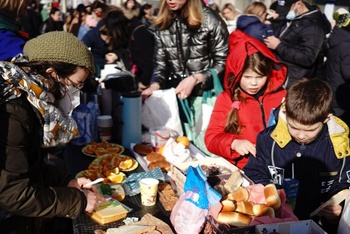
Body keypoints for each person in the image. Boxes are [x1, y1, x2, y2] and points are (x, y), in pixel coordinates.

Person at [0, 31, 102, 233]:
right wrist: (78, 201)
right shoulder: (13, 111)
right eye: (75, 85)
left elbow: (27, 164)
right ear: (52, 73)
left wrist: (66, 181)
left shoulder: (30, 99)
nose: (75, 94)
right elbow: (12, 193)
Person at [243, 78, 350, 233]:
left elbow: (343, 183)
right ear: (285, 114)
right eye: (293, 127)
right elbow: (254, 172)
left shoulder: (339, 146)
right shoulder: (268, 140)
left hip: (317, 223)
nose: (301, 135)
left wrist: (337, 209)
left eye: (310, 130)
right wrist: (269, 193)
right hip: (275, 221)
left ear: (326, 119)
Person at [204, 30, 286, 169]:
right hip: (244, 168)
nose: (253, 83)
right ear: (236, 74)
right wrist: (234, 143)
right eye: (247, 77)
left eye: (260, 77)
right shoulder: (226, 99)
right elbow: (211, 139)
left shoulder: (282, 96)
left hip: (280, 166)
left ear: (269, 73)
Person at [142, 0, 228, 102]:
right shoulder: (162, 22)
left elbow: (223, 62)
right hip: (175, 96)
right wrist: (154, 86)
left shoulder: (210, 19)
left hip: (206, 95)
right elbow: (160, 66)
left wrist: (196, 79)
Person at [263, 0, 331, 88]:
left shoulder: (313, 27)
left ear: (298, 4)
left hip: (292, 81)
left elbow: (307, 58)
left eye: (287, 9)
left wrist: (278, 46)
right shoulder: (296, 18)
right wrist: (276, 20)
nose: (285, 13)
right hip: (279, 74)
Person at [324, 8, 350, 127]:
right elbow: (347, 72)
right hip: (342, 94)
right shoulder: (346, 45)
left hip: (333, 86)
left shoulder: (336, 38)